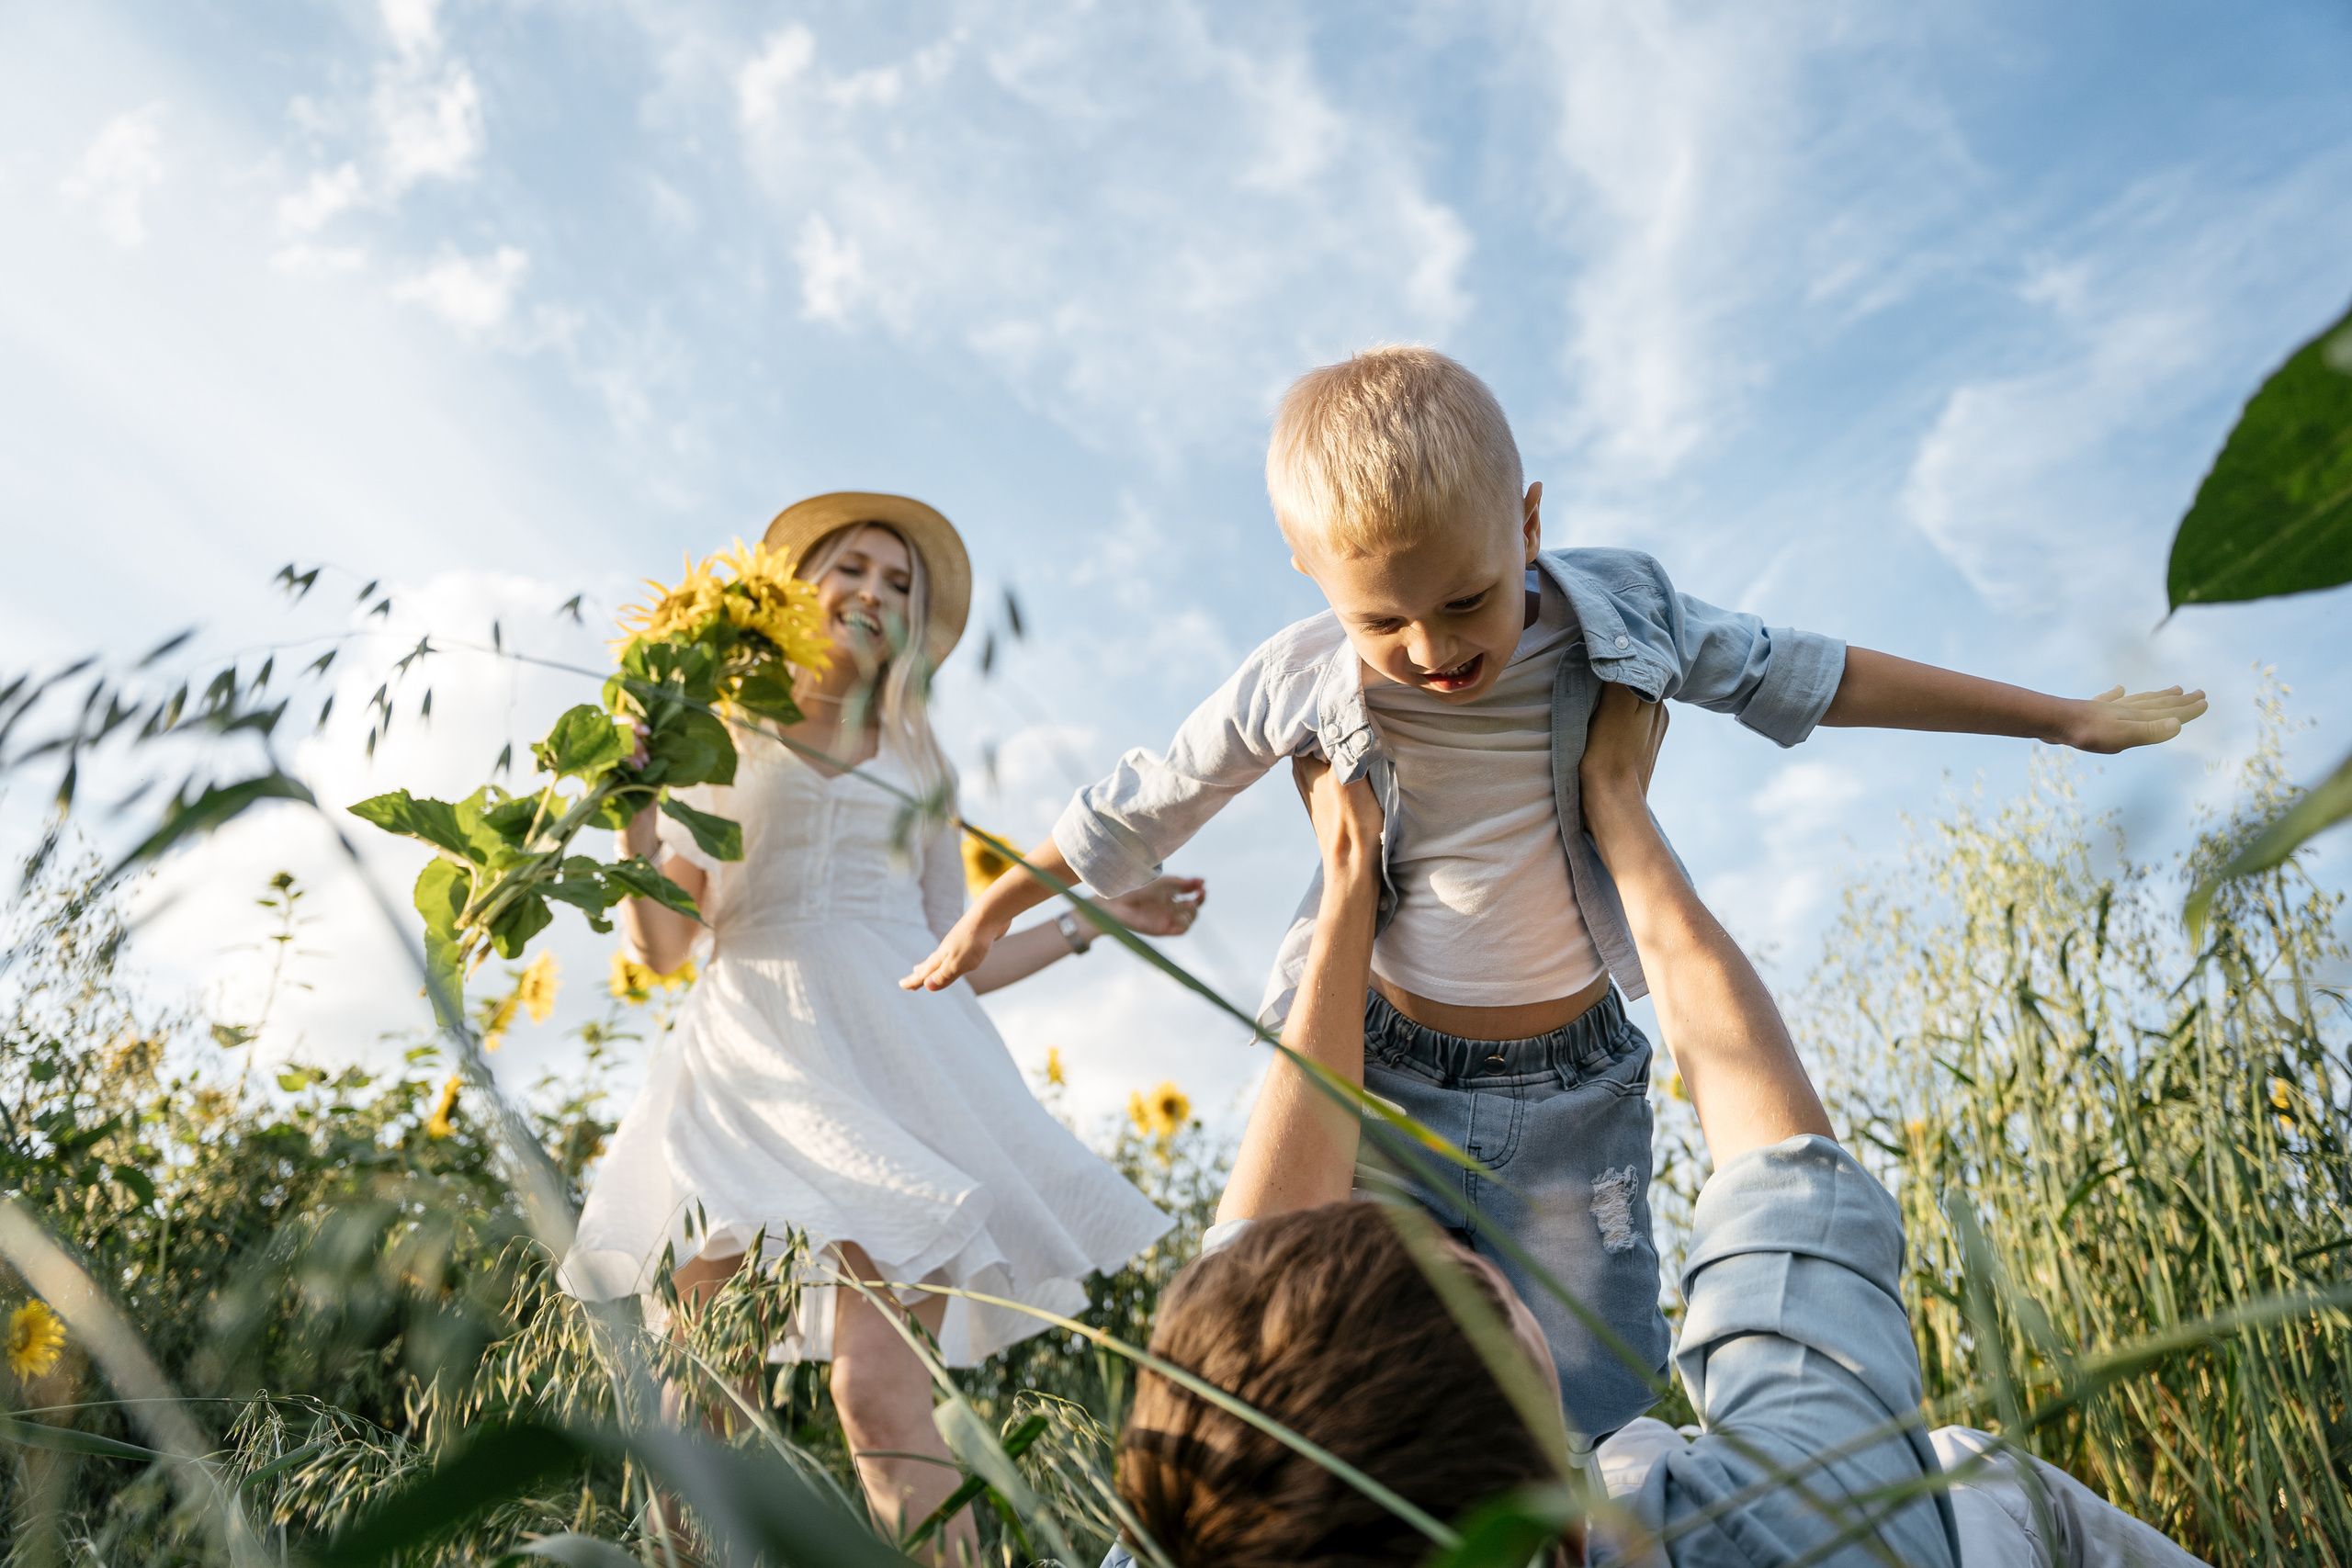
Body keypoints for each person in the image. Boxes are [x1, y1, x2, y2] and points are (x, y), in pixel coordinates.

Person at [907, 345, 2208, 1440]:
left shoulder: (1621, 613)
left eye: (1466, 600)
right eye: (1384, 623)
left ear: (1527, 524)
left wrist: (2060, 719)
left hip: (1572, 1097)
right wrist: (986, 911)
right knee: (1329, 1399)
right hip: (1384, 1083)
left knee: (1593, 1408)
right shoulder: (1296, 677)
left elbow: (1812, 670)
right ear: (1319, 588)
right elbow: (1139, 801)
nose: (1432, 649)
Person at [1105, 683, 2206, 1568]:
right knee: (1973, 1477)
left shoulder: (1207, 1520)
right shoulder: (1799, 1531)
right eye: (1486, 1288)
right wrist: (1621, 811)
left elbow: (1240, 1314)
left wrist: (1351, 887)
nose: (1459, 1238)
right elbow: (1791, 1189)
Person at [559, 492, 1203, 1559]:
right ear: (796, 588)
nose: (873, 592)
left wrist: (1093, 922)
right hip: (747, 1071)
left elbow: (955, 955)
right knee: (700, 1404)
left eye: (899, 584)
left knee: (881, 1399)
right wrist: (633, 796)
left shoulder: (921, 762)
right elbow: (665, 946)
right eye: (852, 568)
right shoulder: (716, 729)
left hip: (894, 1073)